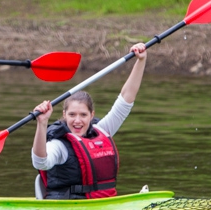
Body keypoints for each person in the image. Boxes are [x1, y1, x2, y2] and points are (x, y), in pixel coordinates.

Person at [31, 43, 147, 199]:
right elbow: (40, 162)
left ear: (91, 115)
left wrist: (141, 61)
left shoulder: (102, 130)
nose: (77, 121)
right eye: (72, 115)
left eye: (83, 115)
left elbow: (126, 100)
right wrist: (42, 123)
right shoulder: (59, 145)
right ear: (64, 115)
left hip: (100, 205)